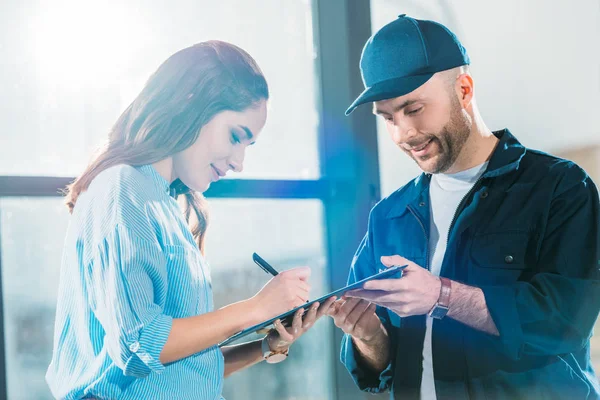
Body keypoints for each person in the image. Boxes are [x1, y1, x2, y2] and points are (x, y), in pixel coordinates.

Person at [327, 14, 600, 399]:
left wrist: (442, 295)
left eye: (414, 109)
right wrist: (369, 336)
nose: (403, 133)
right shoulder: (388, 217)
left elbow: (567, 321)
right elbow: (380, 368)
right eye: (388, 118)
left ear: (465, 90)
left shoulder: (559, 188)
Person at [46, 40, 335, 400]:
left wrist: (264, 345)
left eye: (247, 146)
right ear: (191, 106)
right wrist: (255, 308)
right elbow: (141, 345)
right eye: (235, 137)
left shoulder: (166, 203)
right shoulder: (122, 188)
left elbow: (182, 371)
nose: (239, 162)